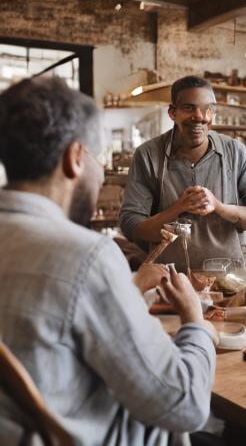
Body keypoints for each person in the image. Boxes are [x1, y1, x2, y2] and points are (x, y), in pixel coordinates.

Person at [0, 77, 222, 446]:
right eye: (97, 157)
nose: (99, 169)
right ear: (74, 158)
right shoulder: (85, 254)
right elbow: (185, 405)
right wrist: (196, 323)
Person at [119, 75, 246, 272]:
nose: (199, 116)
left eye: (207, 109)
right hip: (171, 279)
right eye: (188, 108)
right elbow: (131, 226)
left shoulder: (235, 152)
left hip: (231, 280)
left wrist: (218, 206)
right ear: (172, 112)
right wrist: (179, 207)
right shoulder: (148, 155)